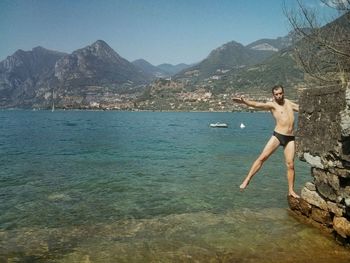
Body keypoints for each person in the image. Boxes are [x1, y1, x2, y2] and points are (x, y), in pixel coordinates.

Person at [232, 85, 300, 198]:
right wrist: (245, 102)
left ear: (283, 93)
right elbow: (257, 105)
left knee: (290, 165)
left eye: (280, 93)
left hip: (290, 137)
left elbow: (302, 108)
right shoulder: (271, 105)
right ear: (273, 95)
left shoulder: (288, 103)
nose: (279, 96)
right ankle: (247, 180)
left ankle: (291, 190)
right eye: (276, 94)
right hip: (278, 135)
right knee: (262, 157)